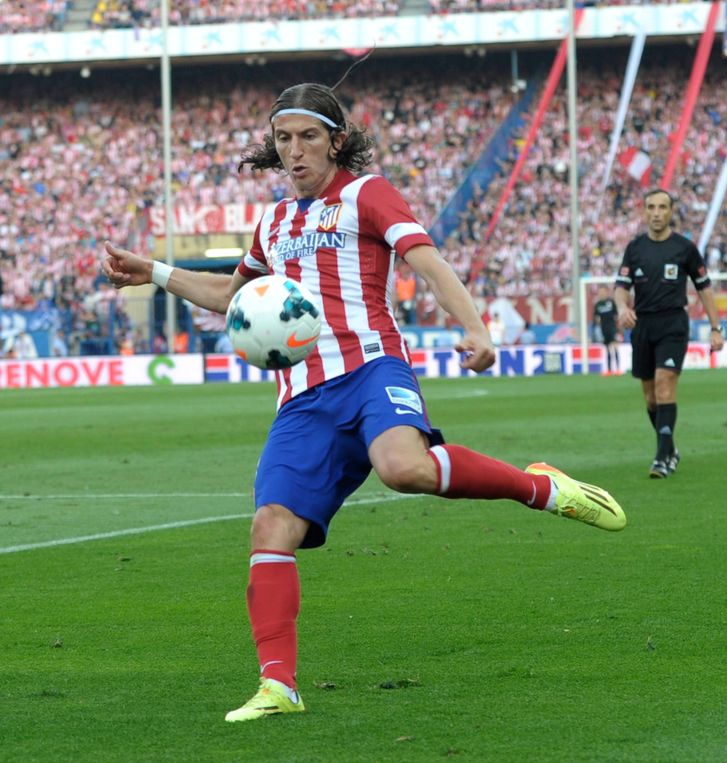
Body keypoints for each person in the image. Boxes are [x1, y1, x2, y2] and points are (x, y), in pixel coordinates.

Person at [102, 80, 626, 724]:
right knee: (270, 527)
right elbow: (229, 296)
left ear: (337, 141)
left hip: (371, 368)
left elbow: (427, 261)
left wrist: (475, 327)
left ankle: (541, 487)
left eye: (308, 137)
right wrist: (154, 272)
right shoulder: (273, 222)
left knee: (404, 468)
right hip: (302, 398)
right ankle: (278, 686)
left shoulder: (367, 194)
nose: (294, 151)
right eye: (283, 139)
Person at [614, 188, 724, 479]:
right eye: (651, 207)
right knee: (651, 398)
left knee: (665, 384)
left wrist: (716, 328)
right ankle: (670, 448)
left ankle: (662, 458)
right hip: (642, 326)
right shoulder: (635, 248)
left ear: (671, 211)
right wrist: (622, 308)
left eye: (663, 207)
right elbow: (621, 287)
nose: (657, 213)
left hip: (673, 324)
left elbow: (704, 288)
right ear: (644, 211)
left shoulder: (684, 248)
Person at [592, 286, 620, 375]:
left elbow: (616, 316)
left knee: (614, 347)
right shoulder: (597, 305)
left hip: (613, 328)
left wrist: (618, 329)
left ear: (606, 292)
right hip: (604, 329)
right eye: (600, 292)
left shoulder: (611, 302)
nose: (602, 293)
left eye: (603, 291)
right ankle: (609, 370)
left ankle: (618, 369)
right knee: (607, 349)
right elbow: (596, 318)